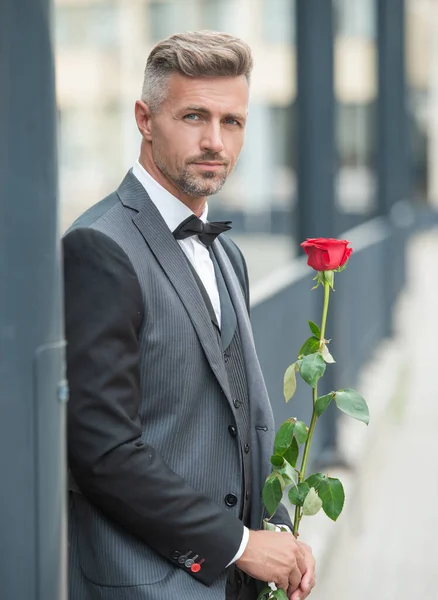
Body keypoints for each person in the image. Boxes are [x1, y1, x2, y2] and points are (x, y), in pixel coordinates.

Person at [64, 30, 316, 600]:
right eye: (194, 116)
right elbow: (101, 451)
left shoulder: (229, 255)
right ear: (145, 119)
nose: (215, 142)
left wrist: (271, 532)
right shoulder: (98, 246)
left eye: (233, 122)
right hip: (143, 584)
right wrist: (239, 545)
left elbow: (231, 419)